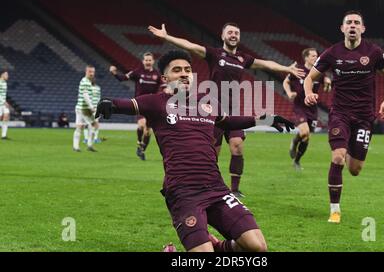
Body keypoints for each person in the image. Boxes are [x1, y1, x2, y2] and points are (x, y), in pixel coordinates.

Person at [95, 50, 295, 252]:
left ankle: (218, 247)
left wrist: (267, 119)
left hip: (216, 188)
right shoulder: (156, 102)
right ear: (165, 78)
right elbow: (125, 104)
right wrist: (109, 103)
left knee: (257, 247)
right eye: (177, 70)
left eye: (187, 70)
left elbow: (229, 121)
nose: (184, 74)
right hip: (183, 193)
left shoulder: (207, 102)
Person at [147, 22, 305, 198]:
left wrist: (286, 68)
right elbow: (190, 46)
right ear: (223, 36)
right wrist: (167, 37)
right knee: (211, 153)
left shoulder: (243, 59)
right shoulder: (215, 54)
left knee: (237, 147)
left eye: (236, 33)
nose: (233, 35)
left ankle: (235, 189)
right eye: (230, 32)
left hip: (234, 111)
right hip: (212, 109)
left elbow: (265, 64)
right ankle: (204, 184)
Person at [304, 11, 384, 224]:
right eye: (348, 23)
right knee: (337, 157)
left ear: (362, 28)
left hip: (365, 117)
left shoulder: (373, 52)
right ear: (342, 28)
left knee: (354, 169)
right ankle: (335, 210)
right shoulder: (331, 53)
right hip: (340, 114)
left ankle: (346, 151)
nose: (352, 26)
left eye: (356, 23)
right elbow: (310, 78)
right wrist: (309, 92)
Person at [283, 48, 331, 170]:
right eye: (313, 56)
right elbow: (286, 82)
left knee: (306, 137)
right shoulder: (298, 70)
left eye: (316, 55)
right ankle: (294, 142)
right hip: (299, 107)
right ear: (306, 58)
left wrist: (327, 84)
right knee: (305, 132)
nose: (316, 57)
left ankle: (297, 161)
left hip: (312, 109)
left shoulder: (319, 72)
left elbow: (326, 89)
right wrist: (289, 93)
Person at [110, 52, 164, 160]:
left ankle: (142, 149)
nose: (148, 62)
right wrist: (114, 73)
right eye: (146, 60)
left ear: (153, 61)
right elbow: (123, 78)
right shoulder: (137, 72)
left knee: (148, 131)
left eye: (150, 60)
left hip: (152, 105)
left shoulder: (157, 74)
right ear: (143, 61)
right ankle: (139, 142)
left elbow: (164, 86)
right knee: (141, 124)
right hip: (139, 104)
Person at [73, 65, 98, 152]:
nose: (92, 74)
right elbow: (85, 95)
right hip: (83, 108)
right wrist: (91, 106)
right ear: (86, 72)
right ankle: (85, 146)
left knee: (84, 126)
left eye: (93, 72)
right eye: (90, 72)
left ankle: (80, 146)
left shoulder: (87, 81)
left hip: (82, 108)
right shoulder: (85, 81)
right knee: (90, 125)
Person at [84, 78, 102, 143]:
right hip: (93, 108)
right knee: (95, 124)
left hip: (89, 108)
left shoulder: (87, 88)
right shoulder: (97, 88)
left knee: (88, 124)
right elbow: (98, 99)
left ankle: (87, 139)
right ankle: (95, 138)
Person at [0, 69, 10, 139]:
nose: (8, 76)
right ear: (2, 74)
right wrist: (3, 101)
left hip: (3, 103)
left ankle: (4, 136)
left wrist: (5, 101)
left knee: (6, 116)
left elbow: (2, 94)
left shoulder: (5, 83)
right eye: (6, 74)